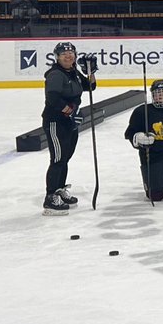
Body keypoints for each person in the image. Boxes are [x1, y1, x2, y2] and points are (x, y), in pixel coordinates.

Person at [41, 42, 95, 215]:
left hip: (71, 122)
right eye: (64, 54)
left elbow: (90, 86)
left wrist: (90, 71)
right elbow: (53, 99)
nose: (68, 56)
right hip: (56, 122)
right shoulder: (56, 74)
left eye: (71, 53)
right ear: (57, 57)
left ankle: (59, 189)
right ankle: (50, 198)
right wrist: (70, 112)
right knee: (57, 159)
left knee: (65, 157)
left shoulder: (73, 72)